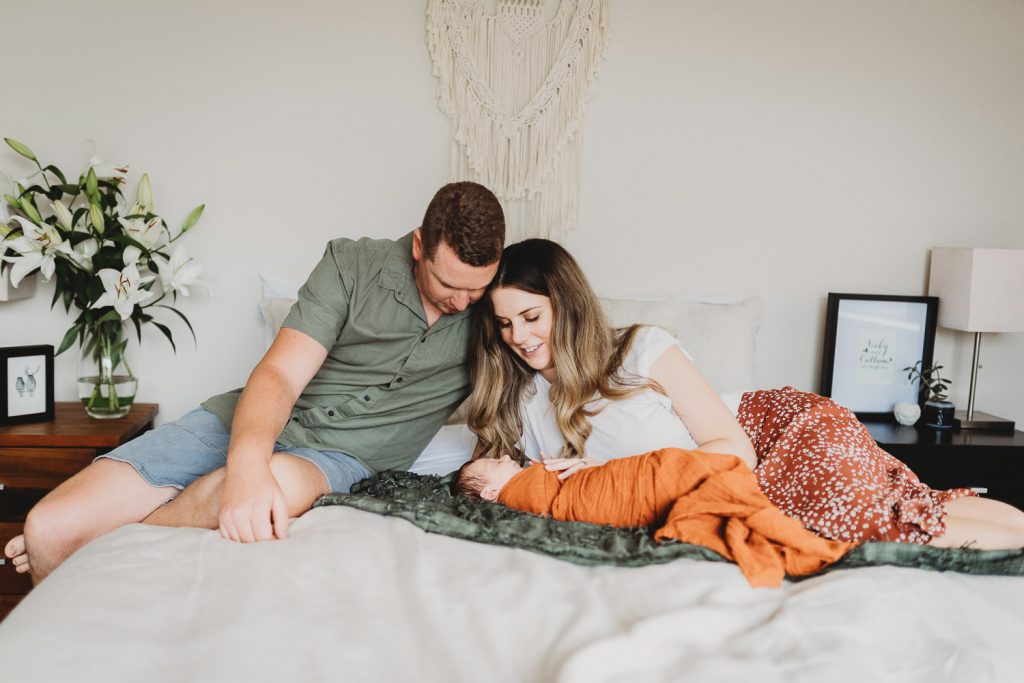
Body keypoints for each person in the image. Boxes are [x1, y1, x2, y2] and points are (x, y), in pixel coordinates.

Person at [5, 181, 506, 582]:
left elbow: (557, 350)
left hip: (338, 456)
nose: (462, 302)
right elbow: (282, 373)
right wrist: (247, 461)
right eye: (448, 285)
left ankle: (99, 547)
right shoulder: (352, 264)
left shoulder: (500, 310)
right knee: (47, 529)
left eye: (476, 289)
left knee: (268, 492)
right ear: (419, 246)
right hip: (241, 419)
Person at [466, 238, 1024, 549]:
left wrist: (609, 475)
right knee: (898, 511)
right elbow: (487, 473)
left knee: (865, 525)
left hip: (772, 434)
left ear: (566, 302)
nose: (519, 337)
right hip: (721, 490)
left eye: (531, 316)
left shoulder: (638, 349)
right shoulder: (521, 400)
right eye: (505, 324)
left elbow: (734, 450)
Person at [450, 449, 853, 588]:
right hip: (621, 492)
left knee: (677, 467)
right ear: (489, 493)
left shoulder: (527, 478)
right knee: (683, 479)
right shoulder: (520, 491)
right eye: (494, 462)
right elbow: (554, 502)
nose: (506, 457)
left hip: (630, 472)